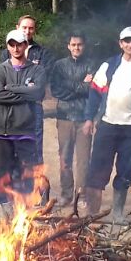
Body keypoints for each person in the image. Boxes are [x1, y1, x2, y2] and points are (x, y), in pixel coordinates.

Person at [82, 26, 131, 224]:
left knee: (125, 170)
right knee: (98, 169)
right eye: (126, 41)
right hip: (107, 125)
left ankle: (117, 213)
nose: (130, 44)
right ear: (120, 43)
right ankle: (93, 214)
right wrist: (89, 118)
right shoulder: (109, 65)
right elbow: (94, 93)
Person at [0, 29, 48, 210]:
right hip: (3, 129)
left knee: (27, 170)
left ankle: (26, 207)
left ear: (25, 45)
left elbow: (39, 93)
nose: (16, 48)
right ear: (8, 46)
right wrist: (25, 91)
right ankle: (3, 211)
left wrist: (12, 88)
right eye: (12, 44)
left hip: (25, 129)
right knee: (2, 170)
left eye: (20, 44)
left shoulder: (37, 69)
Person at [50, 32, 94, 207]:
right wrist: (80, 86)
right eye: (73, 44)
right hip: (65, 116)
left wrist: (75, 87)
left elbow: (92, 90)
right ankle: (66, 194)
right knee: (65, 158)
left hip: (84, 118)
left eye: (80, 45)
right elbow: (56, 90)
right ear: (68, 46)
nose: (77, 48)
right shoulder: (59, 66)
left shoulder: (91, 65)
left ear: (84, 46)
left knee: (83, 159)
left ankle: (81, 195)